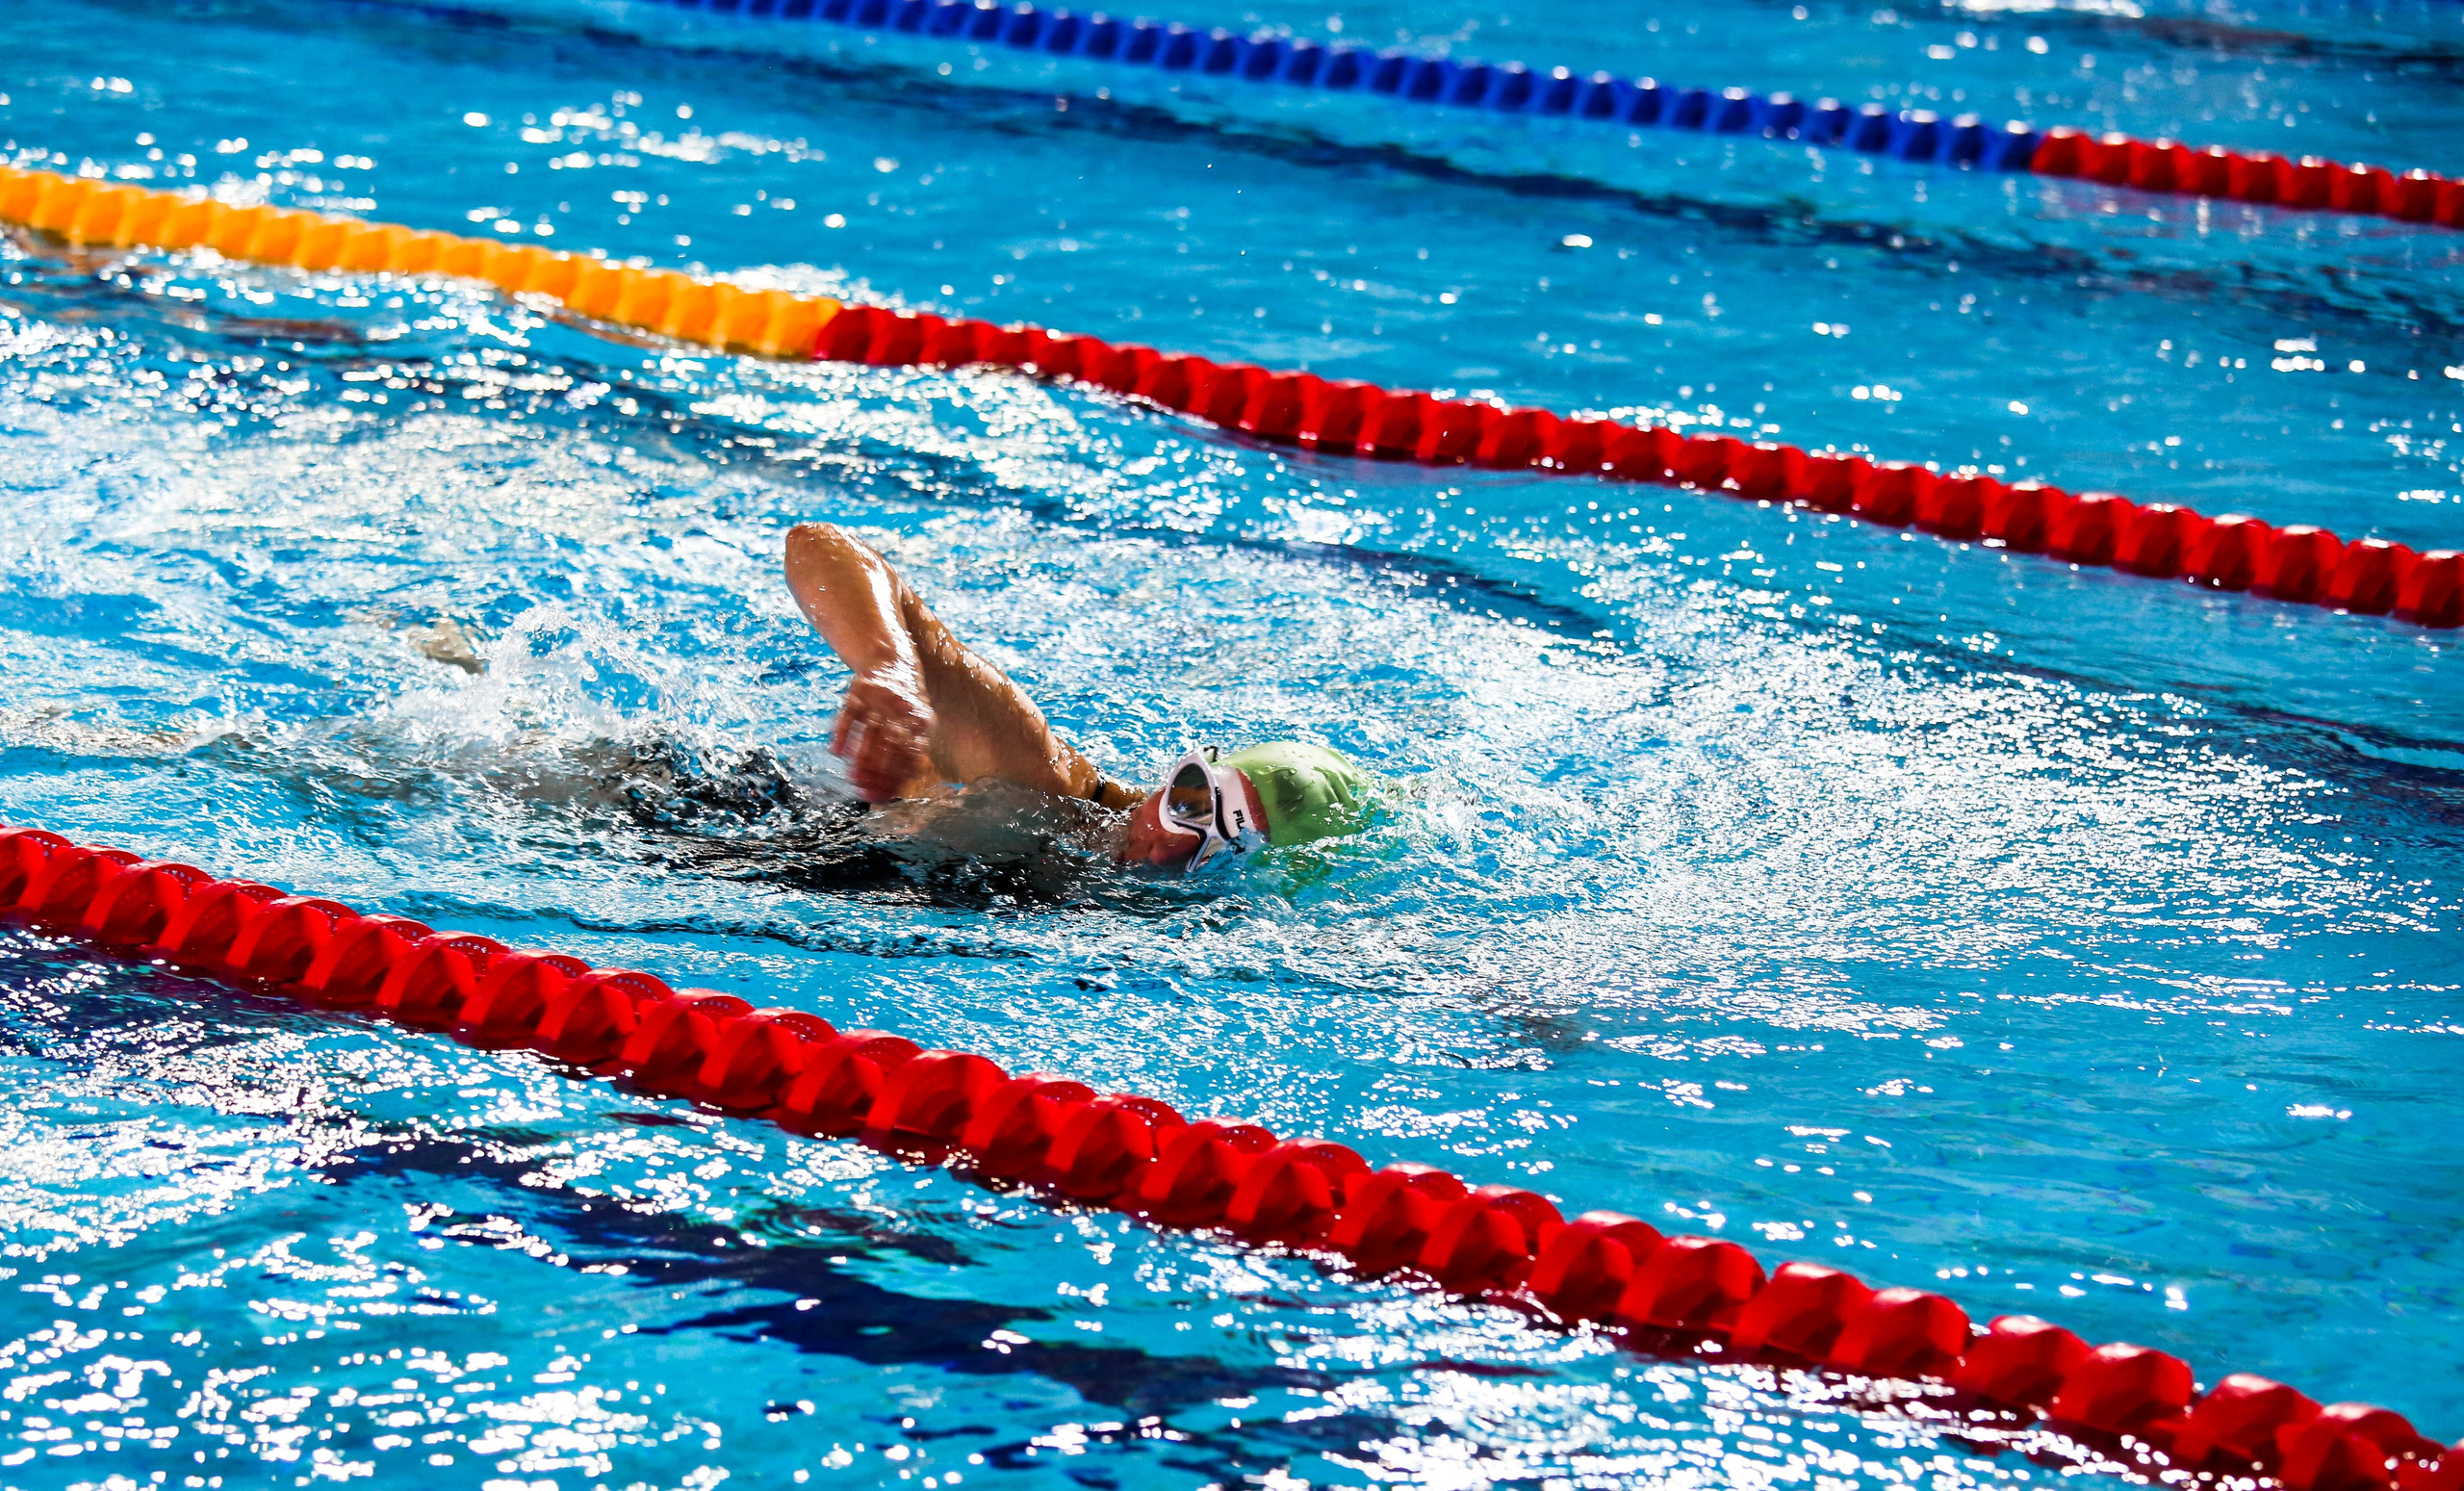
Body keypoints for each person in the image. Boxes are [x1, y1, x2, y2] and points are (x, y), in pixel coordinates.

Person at [783, 522, 1373, 871]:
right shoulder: (1038, 780)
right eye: (1190, 800)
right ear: (1176, 774)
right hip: (750, 834)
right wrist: (889, 665)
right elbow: (819, 546)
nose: (1167, 842)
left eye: (1223, 847)